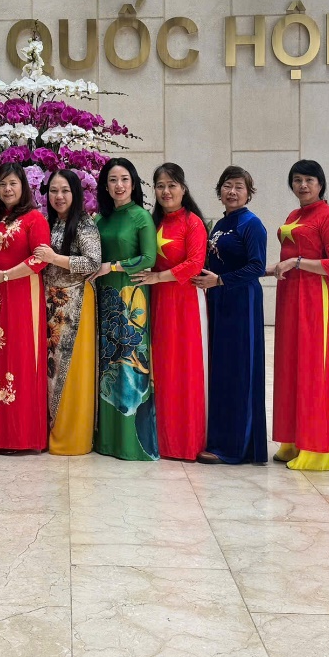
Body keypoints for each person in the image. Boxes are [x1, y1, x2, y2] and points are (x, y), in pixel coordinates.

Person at [267, 159, 329, 471]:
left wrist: (298, 262)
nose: (303, 185)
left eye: (309, 180)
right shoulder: (294, 215)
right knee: (290, 367)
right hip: (289, 297)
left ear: (321, 184)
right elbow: (285, 262)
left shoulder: (328, 216)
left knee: (314, 368)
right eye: (297, 180)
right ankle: (292, 439)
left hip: (315, 299)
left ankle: (318, 449)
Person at [194, 166, 268, 465]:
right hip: (219, 300)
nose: (232, 192)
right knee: (221, 370)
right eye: (227, 186)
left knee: (239, 370)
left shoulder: (252, 224)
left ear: (249, 193)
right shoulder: (221, 224)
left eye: (239, 186)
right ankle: (219, 438)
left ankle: (237, 447)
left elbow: (257, 266)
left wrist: (221, 281)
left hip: (241, 303)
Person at [134, 162, 208, 461]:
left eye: (172, 185)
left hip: (185, 302)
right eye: (160, 186)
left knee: (185, 369)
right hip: (157, 303)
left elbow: (195, 264)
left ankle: (186, 442)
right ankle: (162, 440)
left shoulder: (193, 223)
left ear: (183, 189)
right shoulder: (152, 222)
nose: (166, 191)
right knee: (162, 368)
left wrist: (158, 277)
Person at [33, 169, 103, 456]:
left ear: (76, 193)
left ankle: (72, 438)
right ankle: (48, 433)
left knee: (71, 369)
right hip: (49, 302)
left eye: (65, 191)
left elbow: (93, 262)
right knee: (49, 369)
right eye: (53, 191)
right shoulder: (48, 222)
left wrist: (54, 258)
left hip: (75, 303)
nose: (59, 196)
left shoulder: (84, 224)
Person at [0, 163, 51, 452]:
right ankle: (0, 436)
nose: (7, 189)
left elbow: (40, 259)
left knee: (22, 357)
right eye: (2, 184)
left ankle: (24, 436)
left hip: (23, 294)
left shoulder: (35, 218)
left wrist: (6, 276)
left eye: (12, 183)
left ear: (23, 186)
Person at [93, 157, 158, 460]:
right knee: (107, 366)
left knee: (130, 365)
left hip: (131, 297)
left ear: (133, 184)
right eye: (113, 180)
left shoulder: (141, 217)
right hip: (104, 297)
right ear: (105, 186)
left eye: (124, 180)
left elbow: (149, 259)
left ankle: (132, 444)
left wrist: (114, 266)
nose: (119, 186)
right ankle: (107, 440)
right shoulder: (100, 220)